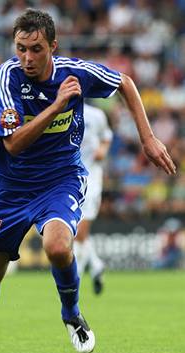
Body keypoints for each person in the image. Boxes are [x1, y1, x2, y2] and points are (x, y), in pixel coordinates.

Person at [0, 8, 176, 353]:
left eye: (36, 49)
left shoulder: (77, 72)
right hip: (12, 188)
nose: (27, 58)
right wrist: (58, 104)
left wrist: (147, 138)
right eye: (21, 48)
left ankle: (72, 314)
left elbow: (125, 83)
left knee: (58, 246)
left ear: (53, 47)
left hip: (61, 179)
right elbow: (13, 144)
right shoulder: (7, 78)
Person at [73, 103, 112, 295]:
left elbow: (107, 136)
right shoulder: (57, 110)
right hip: (68, 179)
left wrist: (103, 149)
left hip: (91, 179)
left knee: (79, 232)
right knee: (74, 232)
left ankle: (75, 277)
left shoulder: (95, 114)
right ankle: (96, 265)